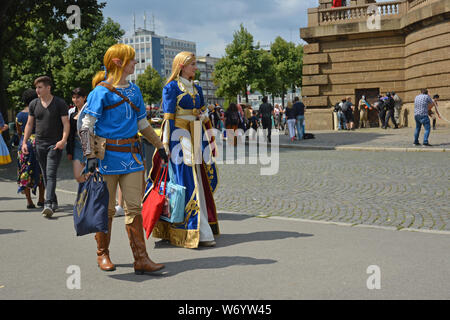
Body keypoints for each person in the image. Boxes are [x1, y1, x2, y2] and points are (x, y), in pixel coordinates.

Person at [79, 43, 168, 274]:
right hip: (106, 158)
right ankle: (103, 254)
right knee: (107, 211)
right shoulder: (100, 91)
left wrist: (160, 146)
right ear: (118, 62)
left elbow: (142, 124)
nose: (135, 63)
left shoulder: (135, 91)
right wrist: (89, 155)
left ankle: (141, 259)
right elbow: (86, 125)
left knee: (134, 209)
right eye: (132, 60)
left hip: (132, 157)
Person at [148, 51, 220, 249]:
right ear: (182, 66)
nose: (195, 67)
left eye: (196, 64)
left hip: (196, 135)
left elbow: (204, 111)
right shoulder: (171, 88)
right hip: (179, 138)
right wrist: (165, 145)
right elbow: (168, 119)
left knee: (198, 179)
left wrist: (204, 117)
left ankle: (194, 225)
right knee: (186, 181)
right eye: (193, 64)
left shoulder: (197, 88)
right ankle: (195, 229)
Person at [22, 76, 69, 218]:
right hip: (39, 144)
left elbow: (66, 124)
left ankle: (48, 203)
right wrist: (24, 142)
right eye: (36, 88)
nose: (37, 90)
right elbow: (29, 124)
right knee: (46, 176)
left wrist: (63, 141)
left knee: (50, 173)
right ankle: (53, 201)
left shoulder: (60, 103)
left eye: (40, 87)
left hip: (54, 145)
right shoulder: (34, 104)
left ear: (48, 88)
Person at [16, 89, 45, 209]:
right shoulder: (40, 112)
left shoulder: (19, 115)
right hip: (39, 143)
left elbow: (19, 132)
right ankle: (41, 199)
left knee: (25, 171)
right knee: (41, 171)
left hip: (24, 144)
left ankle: (29, 201)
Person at [67, 88, 88, 183]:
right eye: (74, 97)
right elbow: (69, 133)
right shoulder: (71, 112)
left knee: (89, 175)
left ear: (84, 98)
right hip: (76, 146)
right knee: (78, 176)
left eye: (78, 97)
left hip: (89, 146)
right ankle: (84, 193)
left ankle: (88, 195)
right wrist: (69, 151)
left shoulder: (90, 111)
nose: (75, 100)